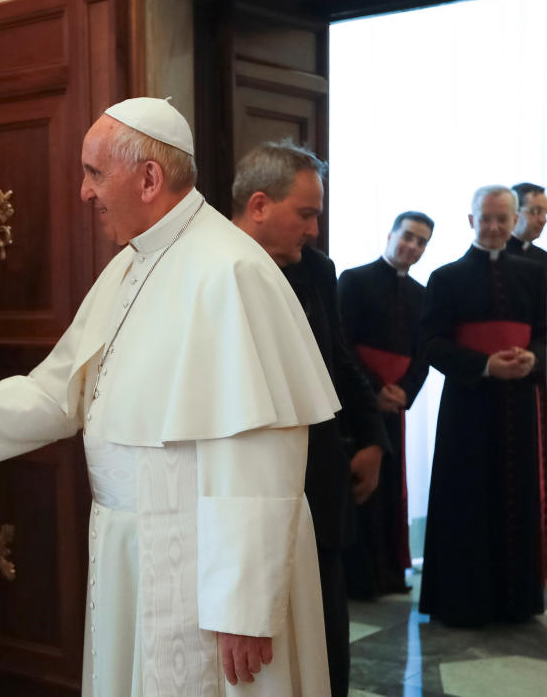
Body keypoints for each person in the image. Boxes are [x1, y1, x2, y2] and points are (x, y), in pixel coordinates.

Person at [0, 98, 340, 696]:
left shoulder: (229, 270)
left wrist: (245, 606)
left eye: (94, 172)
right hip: (131, 546)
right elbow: (61, 389)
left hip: (201, 564)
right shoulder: (129, 265)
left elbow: (261, 451)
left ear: (148, 178)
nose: (84, 192)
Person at [230, 140, 389, 697]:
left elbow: (338, 361)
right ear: (258, 206)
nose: (315, 229)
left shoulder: (317, 272)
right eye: (306, 214)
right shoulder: (212, 271)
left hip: (319, 479)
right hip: (242, 492)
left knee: (324, 632)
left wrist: (372, 438)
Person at [418, 185, 546, 627]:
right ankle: (462, 602)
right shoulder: (446, 278)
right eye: (485, 218)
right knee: (466, 498)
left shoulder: (536, 276)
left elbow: (546, 336)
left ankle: (517, 602)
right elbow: (431, 345)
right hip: (467, 408)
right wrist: (485, 365)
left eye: (502, 219)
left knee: (518, 495)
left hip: (520, 405)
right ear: (471, 220)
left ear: (515, 222)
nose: (493, 227)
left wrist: (535, 360)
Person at [337, 212, 433, 598]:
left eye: (421, 242)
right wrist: (374, 388)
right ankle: (359, 579)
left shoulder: (423, 295)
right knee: (362, 485)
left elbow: (423, 354)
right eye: (407, 236)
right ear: (391, 234)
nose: (412, 246)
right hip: (357, 401)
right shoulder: (354, 280)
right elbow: (341, 343)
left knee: (392, 486)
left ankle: (389, 573)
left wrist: (405, 392)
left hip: (394, 404)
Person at [504, 181, 547, 583]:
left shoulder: (543, 263)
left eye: (544, 213)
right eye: (535, 211)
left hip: (537, 383)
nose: (541, 220)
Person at [505, 182, 547, 265]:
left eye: (545, 213)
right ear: (513, 213)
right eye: (535, 211)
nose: (543, 220)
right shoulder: (496, 255)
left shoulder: (543, 257)